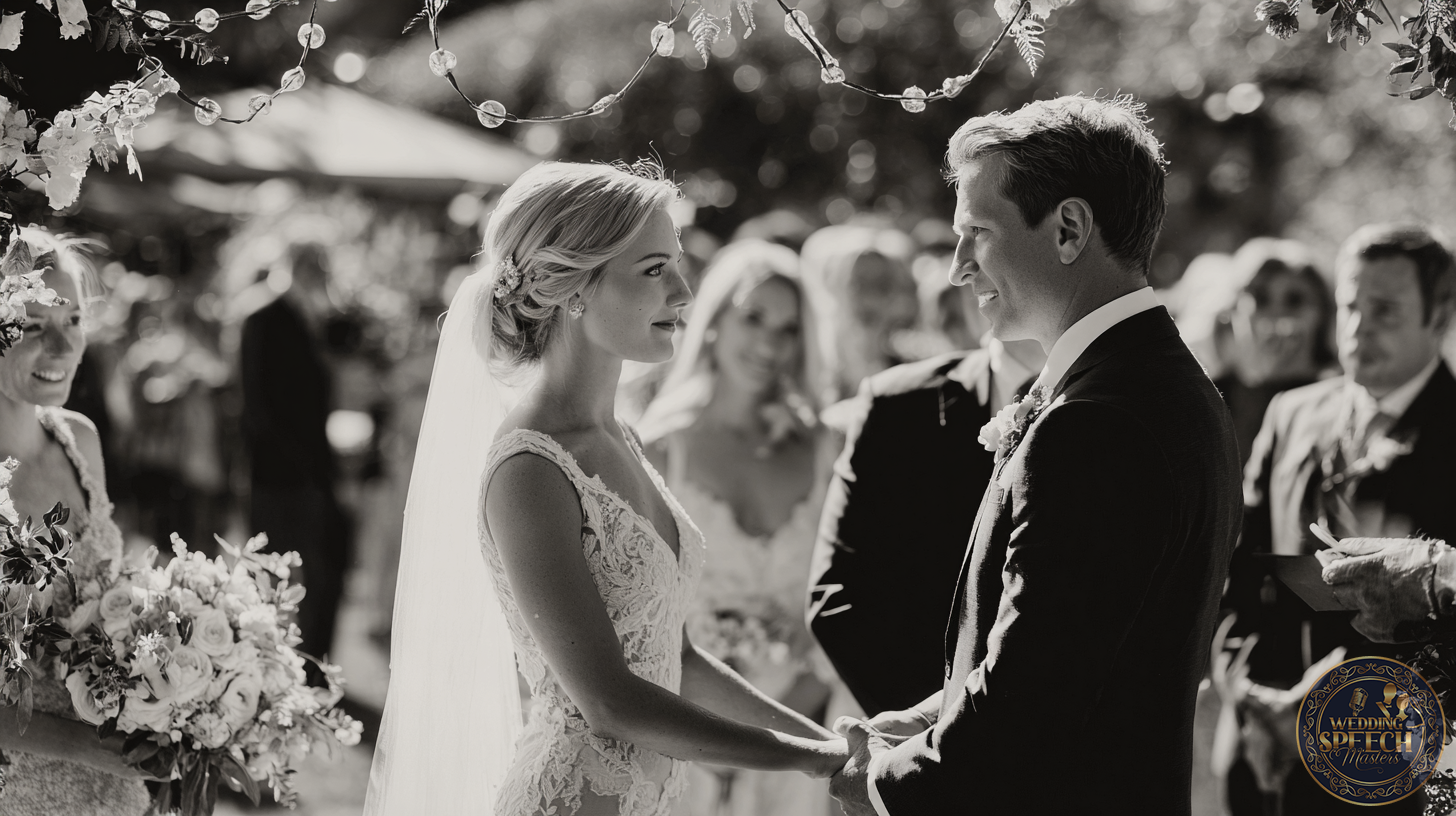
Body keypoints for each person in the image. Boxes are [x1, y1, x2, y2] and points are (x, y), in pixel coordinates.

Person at [365, 162, 848, 816]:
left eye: (677, 265)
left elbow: (678, 658)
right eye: (654, 270)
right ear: (575, 289)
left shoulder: (625, 437)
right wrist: (803, 759)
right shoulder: (531, 467)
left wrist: (827, 747)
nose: (683, 291)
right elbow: (609, 701)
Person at [827, 95, 1242, 816]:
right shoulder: (1162, 385)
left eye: (977, 234)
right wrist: (936, 716)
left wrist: (880, 782)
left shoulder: (1099, 424)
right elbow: (1088, 654)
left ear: (1069, 229)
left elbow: (1028, 714)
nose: (957, 269)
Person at [1224, 223, 1455, 815]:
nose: (1357, 329)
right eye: (1350, 306)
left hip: (1407, 768)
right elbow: (1238, 574)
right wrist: (1252, 693)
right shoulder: (1292, 413)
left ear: (1441, 315)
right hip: (1273, 760)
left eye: (1384, 311)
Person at [635, 239, 842, 816]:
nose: (770, 344)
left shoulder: (830, 450)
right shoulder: (658, 449)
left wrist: (802, 717)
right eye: (754, 317)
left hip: (804, 730)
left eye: (789, 328)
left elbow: (851, 593)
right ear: (714, 320)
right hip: (680, 733)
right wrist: (711, 741)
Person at [807, 275, 1045, 717]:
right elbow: (837, 595)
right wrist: (935, 739)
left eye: (983, 232)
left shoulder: (1128, 406)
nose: (962, 266)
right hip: (920, 744)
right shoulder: (896, 404)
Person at [0, 228, 152, 815]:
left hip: (112, 793)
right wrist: (96, 746)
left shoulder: (80, 441)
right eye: (34, 325)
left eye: (74, 321)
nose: (63, 350)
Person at [239, 243, 350, 676]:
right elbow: (261, 408)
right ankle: (269, 666)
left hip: (311, 471)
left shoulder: (311, 318)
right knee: (274, 577)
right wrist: (306, 465)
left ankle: (310, 667)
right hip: (279, 474)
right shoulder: (263, 319)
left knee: (319, 573)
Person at [1208, 238, 1337, 465]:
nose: (1277, 315)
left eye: (1295, 300)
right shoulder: (1207, 400)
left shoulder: (1339, 402)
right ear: (1232, 310)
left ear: (1323, 313)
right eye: (1261, 298)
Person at [799, 226, 919, 404]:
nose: (871, 298)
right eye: (859, 284)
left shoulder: (909, 366)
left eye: (881, 285)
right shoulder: (810, 369)